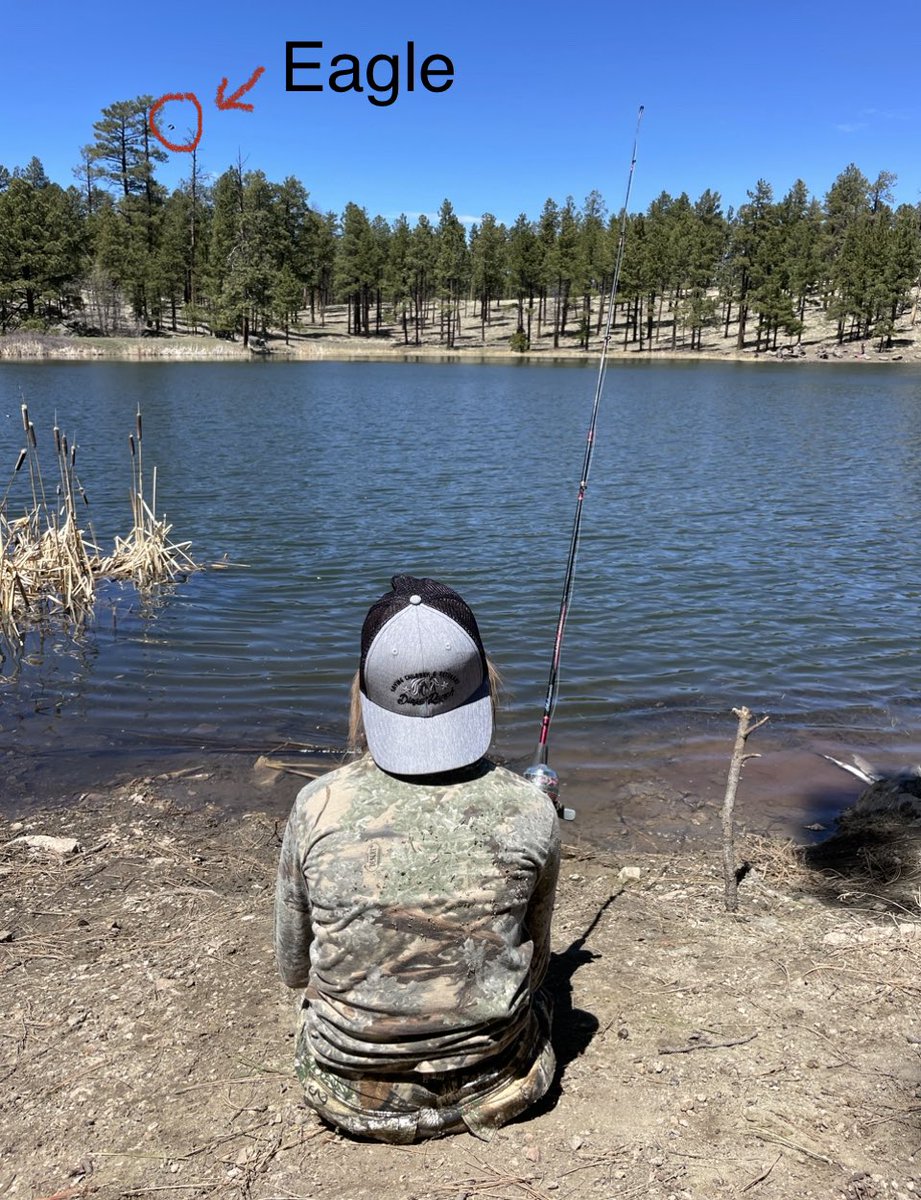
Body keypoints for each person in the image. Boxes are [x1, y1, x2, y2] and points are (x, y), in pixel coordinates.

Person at [274, 574, 560, 1142]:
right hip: (497, 1082)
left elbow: (293, 968)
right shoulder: (532, 809)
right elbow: (537, 959)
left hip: (346, 1090)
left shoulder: (315, 804)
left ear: (361, 692)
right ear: (485, 684)